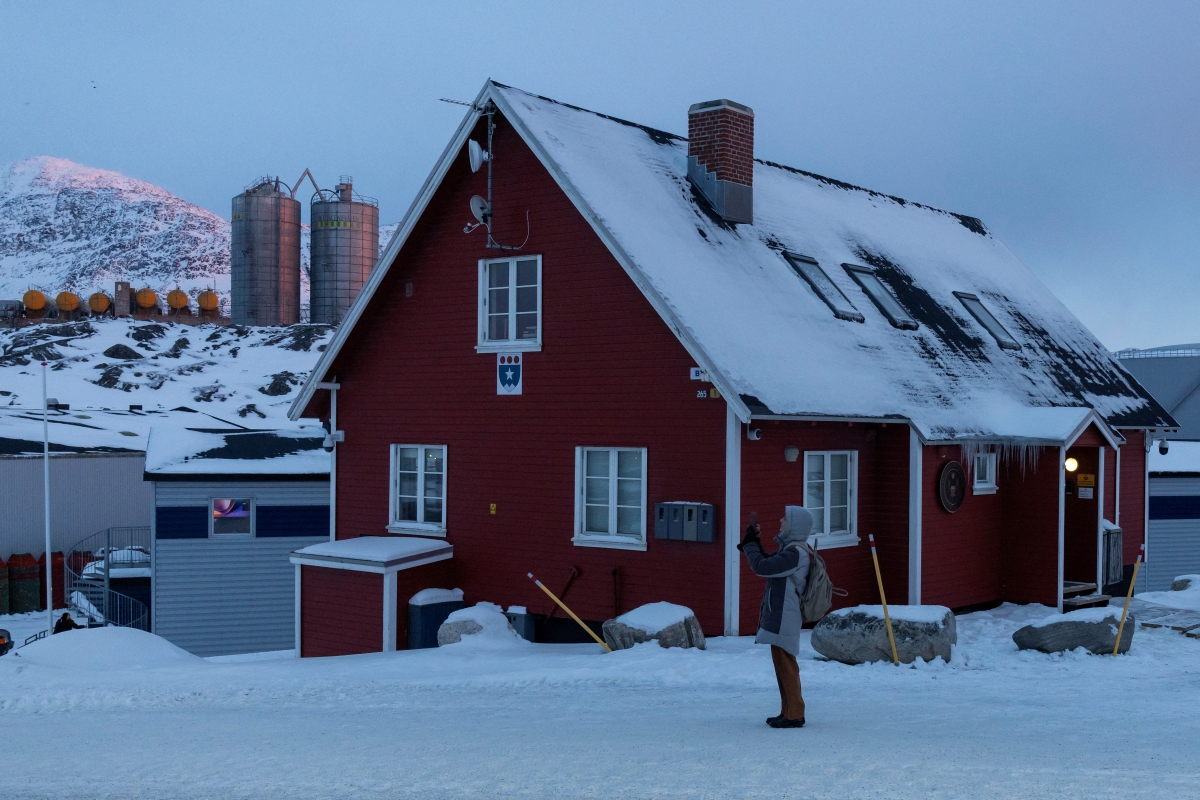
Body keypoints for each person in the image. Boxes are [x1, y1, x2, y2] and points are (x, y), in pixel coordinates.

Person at [739, 505, 813, 728]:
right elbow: (765, 560)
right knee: (782, 664)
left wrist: (750, 544)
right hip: (782, 613)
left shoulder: (795, 553)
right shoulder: (791, 550)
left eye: (785, 519)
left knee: (786, 664)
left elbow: (761, 567)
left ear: (795, 525)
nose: (781, 521)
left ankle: (794, 714)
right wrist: (752, 543)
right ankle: (788, 711)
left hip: (784, 615)